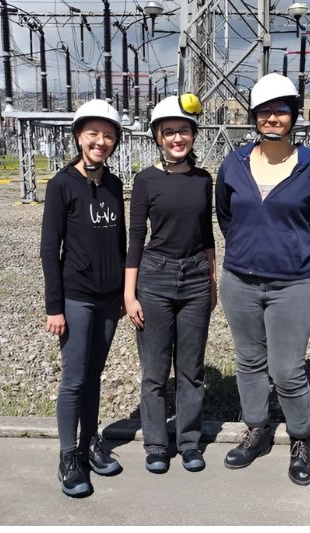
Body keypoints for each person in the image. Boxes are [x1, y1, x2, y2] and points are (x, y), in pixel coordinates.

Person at [214, 73, 310, 486]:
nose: (272, 118)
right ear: (255, 117)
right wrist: (243, 249)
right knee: (249, 362)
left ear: (293, 116)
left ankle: (301, 437)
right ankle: (256, 428)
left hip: (291, 286)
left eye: (280, 111)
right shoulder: (233, 164)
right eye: (265, 111)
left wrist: (305, 262)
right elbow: (225, 216)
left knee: (287, 369)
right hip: (239, 282)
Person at [124, 94, 216, 474]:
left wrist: (213, 280)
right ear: (158, 138)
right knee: (155, 370)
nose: (177, 138)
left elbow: (206, 233)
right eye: (169, 132)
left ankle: (190, 441)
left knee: (192, 369)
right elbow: (134, 237)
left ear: (192, 135)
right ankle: (157, 444)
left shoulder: (203, 179)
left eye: (183, 131)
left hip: (195, 277)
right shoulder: (145, 180)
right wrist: (129, 293)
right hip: (155, 277)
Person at [40, 99, 127, 498]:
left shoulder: (113, 184)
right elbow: (48, 248)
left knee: (94, 375)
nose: (100, 141)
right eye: (93, 134)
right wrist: (54, 306)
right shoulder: (61, 185)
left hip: (110, 300)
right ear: (78, 137)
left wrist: (126, 293)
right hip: (76, 297)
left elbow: (122, 241)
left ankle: (91, 442)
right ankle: (68, 455)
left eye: (108, 135)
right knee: (74, 378)